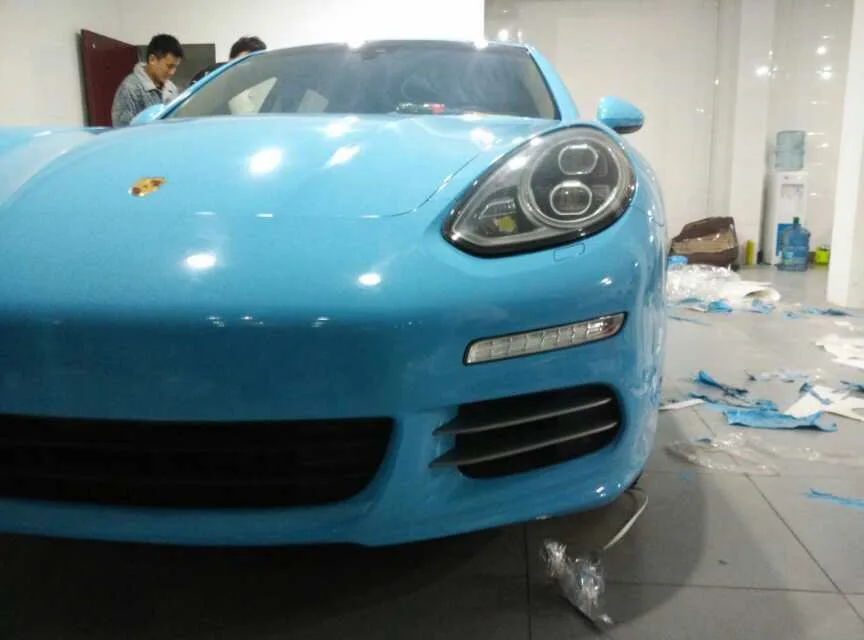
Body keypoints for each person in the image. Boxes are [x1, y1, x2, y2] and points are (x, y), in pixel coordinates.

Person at [111, 34, 184, 127]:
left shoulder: (171, 88)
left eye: (175, 67)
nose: (172, 72)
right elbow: (121, 130)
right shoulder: (130, 89)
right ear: (152, 60)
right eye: (169, 66)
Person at [190, 36, 267, 85]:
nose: (248, 66)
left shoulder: (263, 80)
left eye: (254, 64)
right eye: (244, 60)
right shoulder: (209, 76)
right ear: (231, 60)